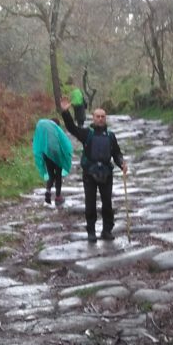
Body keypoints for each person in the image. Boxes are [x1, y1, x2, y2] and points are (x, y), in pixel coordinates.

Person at [59, 97, 127, 242]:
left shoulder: (111, 136)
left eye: (103, 117)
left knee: (107, 203)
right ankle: (91, 231)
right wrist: (65, 112)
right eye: (98, 116)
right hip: (89, 173)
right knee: (90, 204)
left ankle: (107, 230)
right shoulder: (86, 134)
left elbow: (116, 153)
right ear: (93, 118)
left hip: (107, 174)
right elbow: (72, 128)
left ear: (105, 118)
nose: (100, 119)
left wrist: (122, 163)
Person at [32, 117, 73, 205]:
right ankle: (58, 196)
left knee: (50, 174)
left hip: (46, 154)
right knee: (58, 175)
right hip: (56, 154)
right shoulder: (56, 131)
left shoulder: (43, 129)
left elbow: (37, 142)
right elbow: (64, 144)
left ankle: (48, 191)